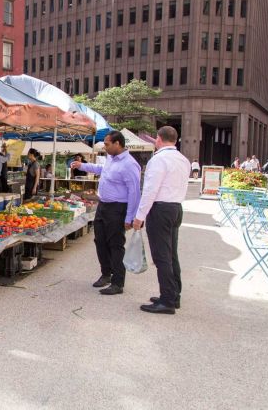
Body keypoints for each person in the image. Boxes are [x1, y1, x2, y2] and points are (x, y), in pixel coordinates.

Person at [71, 131, 141, 295]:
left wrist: (130, 217)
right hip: (103, 206)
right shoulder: (111, 158)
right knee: (100, 241)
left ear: (118, 144)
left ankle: (118, 282)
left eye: (107, 144)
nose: (105, 146)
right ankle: (106, 274)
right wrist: (82, 166)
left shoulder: (130, 164)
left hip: (118, 208)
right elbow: (101, 169)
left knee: (115, 245)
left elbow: (134, 193)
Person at [133, 126, 190, 315]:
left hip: (161, 208)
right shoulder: (183, 159)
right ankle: (174, 295)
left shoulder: (158, 160)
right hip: (176, 207)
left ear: (158, 139)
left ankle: (167, 300)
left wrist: (140, 216)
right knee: (171, 253)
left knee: (161, 256)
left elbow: (150, 190)